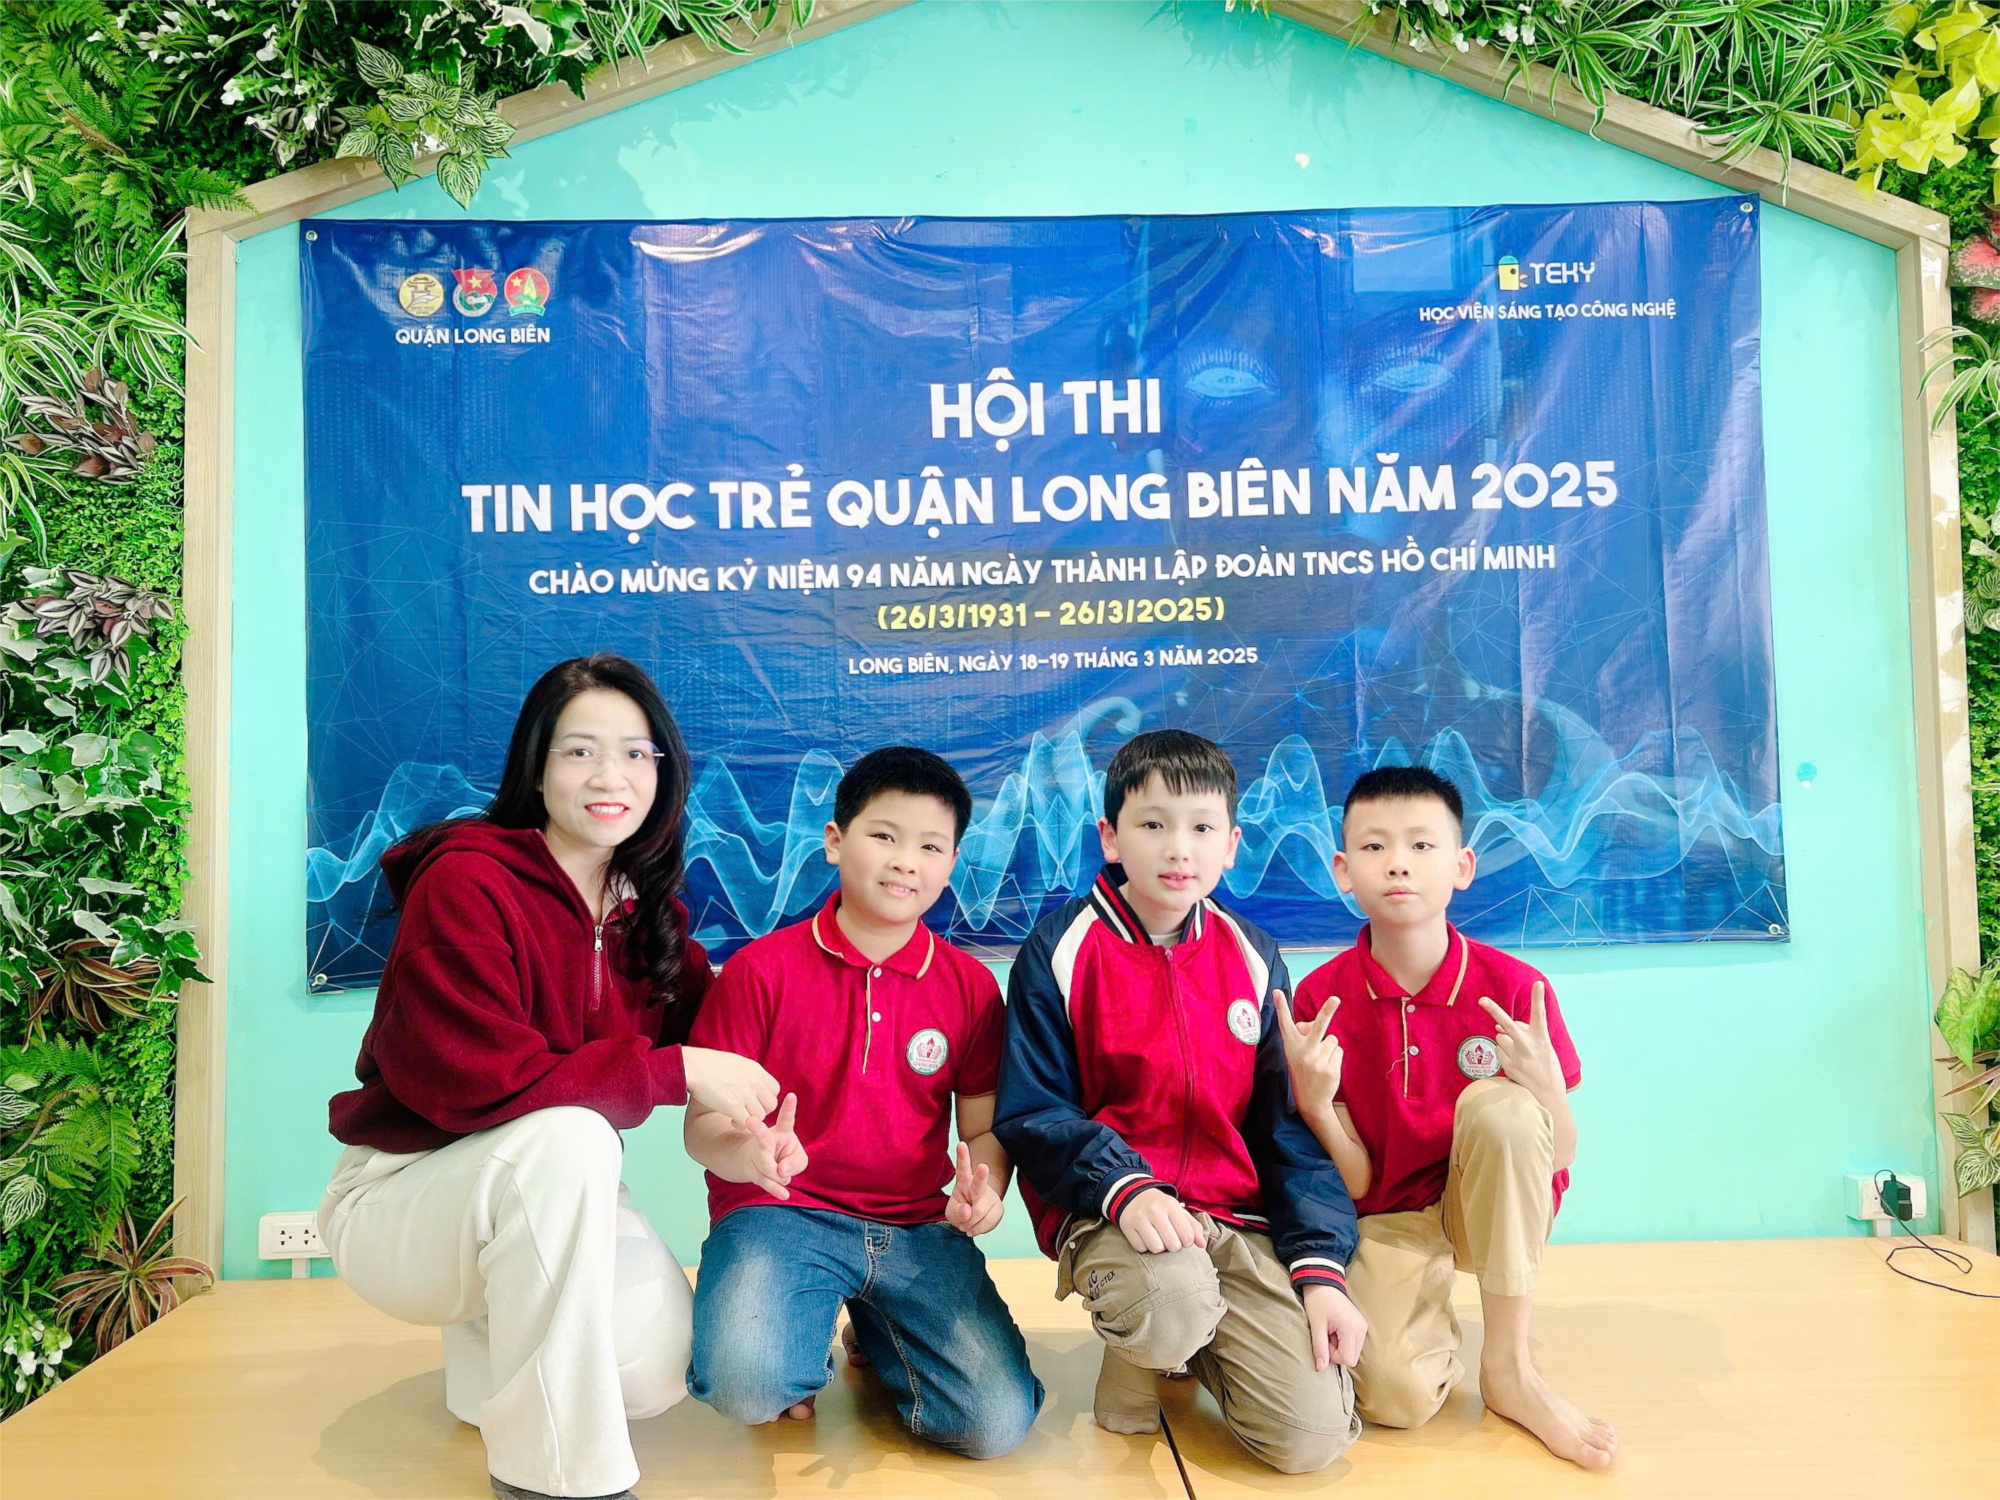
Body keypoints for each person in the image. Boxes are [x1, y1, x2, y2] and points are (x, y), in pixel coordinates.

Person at [317, 654, 779, 1500]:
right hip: (405, 1196)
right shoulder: (466, 880)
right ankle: (554, 1476)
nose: (611, 776)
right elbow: (473, 1079)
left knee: (653, 1368)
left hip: (551, 1196)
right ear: (536, 767)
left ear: (663, 771)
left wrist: (757, 1128)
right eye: (580, 751)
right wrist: (677, 1069)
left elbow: (722, 1035)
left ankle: (489, 1355)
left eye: (636, 753)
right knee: (572, 1136)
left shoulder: (646, 914)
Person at [994, 729, 1364, 1474]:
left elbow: (1287, 1130)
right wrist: (1124, 1186)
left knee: (1311, 1440)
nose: (1177, 849)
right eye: (1153, 824)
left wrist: (1321, 1268)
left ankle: (1196, 1341)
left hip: (1235, 1221)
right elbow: (1033, 1111)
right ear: (1111, 837)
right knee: (1170, 1306)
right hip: (1114, 1213)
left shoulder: (1252, 955)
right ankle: (1150, 1349)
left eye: (1201, 828)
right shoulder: (1060, 949)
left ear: (1231, 845)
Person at [683, 746, 1044, 1459]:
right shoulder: (757, 971)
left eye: (930, 846)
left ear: (952, 863)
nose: (906, 861)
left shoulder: (972, 988)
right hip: (781, 1214)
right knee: (749, 1386)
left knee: (994, 1426)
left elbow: (983, 1130)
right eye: (884, 835)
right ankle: (802, 1339)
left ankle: (876, 1332)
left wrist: (988, 1189)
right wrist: (748, 1152)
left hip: (916, 1229)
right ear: (835, 840)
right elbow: (702, 1127)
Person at [1281, 764, 1616, 1469]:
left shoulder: (1517, 990)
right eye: (1374, 847)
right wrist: (1315, 1105)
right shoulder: (1319, 999)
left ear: (1462, 866)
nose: (1398, 863)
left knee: (1503, 1111)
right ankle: (1428, 1325)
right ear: (1343, 870)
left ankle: (1509, 1368)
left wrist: (1543, 1089)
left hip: (1492, 1207)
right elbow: (1360, 1183)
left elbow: (1559, 1155)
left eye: (1421, 845)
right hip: (1390, 1216)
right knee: (1395, 1401)